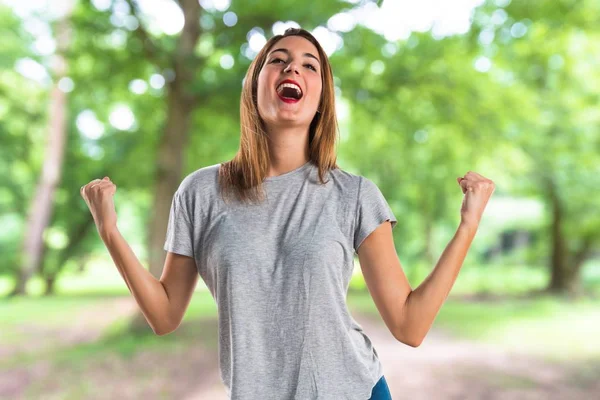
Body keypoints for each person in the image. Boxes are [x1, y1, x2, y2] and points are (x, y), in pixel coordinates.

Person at [80, 27, 495, 400]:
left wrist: (468, 225)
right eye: (277, 60)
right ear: (254, 86)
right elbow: (165, 315)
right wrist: (111, 232)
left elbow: (410, 326)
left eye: (309, 65)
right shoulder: (200, 192)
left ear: (320, 100)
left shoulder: (354, 195)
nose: (292, 68)